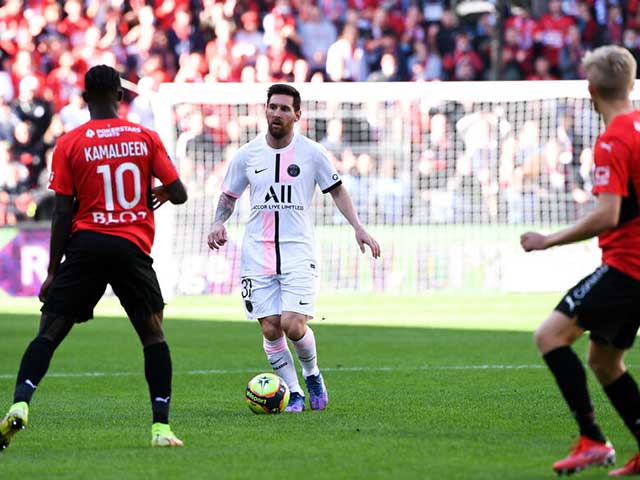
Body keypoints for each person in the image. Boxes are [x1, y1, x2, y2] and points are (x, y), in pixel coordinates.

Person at [0, 65, 187, 450]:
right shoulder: (145, 137)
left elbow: (63, 213)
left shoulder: (70, 143)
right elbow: (180, 191)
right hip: (131, 247)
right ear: (120, 95)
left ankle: (20, 403)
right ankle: (160, 429)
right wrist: (164, 195)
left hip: (86, 246)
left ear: (85, 99)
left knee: (48, 334)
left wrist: (53, 272)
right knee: (153, 337)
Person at [207, 84, 380, 412]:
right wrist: (219, 221)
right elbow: (229, 196)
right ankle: (294, 392)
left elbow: (337, 191)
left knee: (292, 323)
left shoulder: (312, 153)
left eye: (285, 109)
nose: (277, 113)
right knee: (271, 327)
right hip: (256, 253)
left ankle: (312, 373)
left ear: (297, 115)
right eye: (273, 107)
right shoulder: (247, 155)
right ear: (265, 110)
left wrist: (358, 228)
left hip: (298, 251)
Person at [521, 45, 640, 476]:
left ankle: (592, 439)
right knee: (604, 362)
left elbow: (608, 215)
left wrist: (548, 240)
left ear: (591, 90)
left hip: (628, 267)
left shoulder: (613, 141)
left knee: (549, 337)